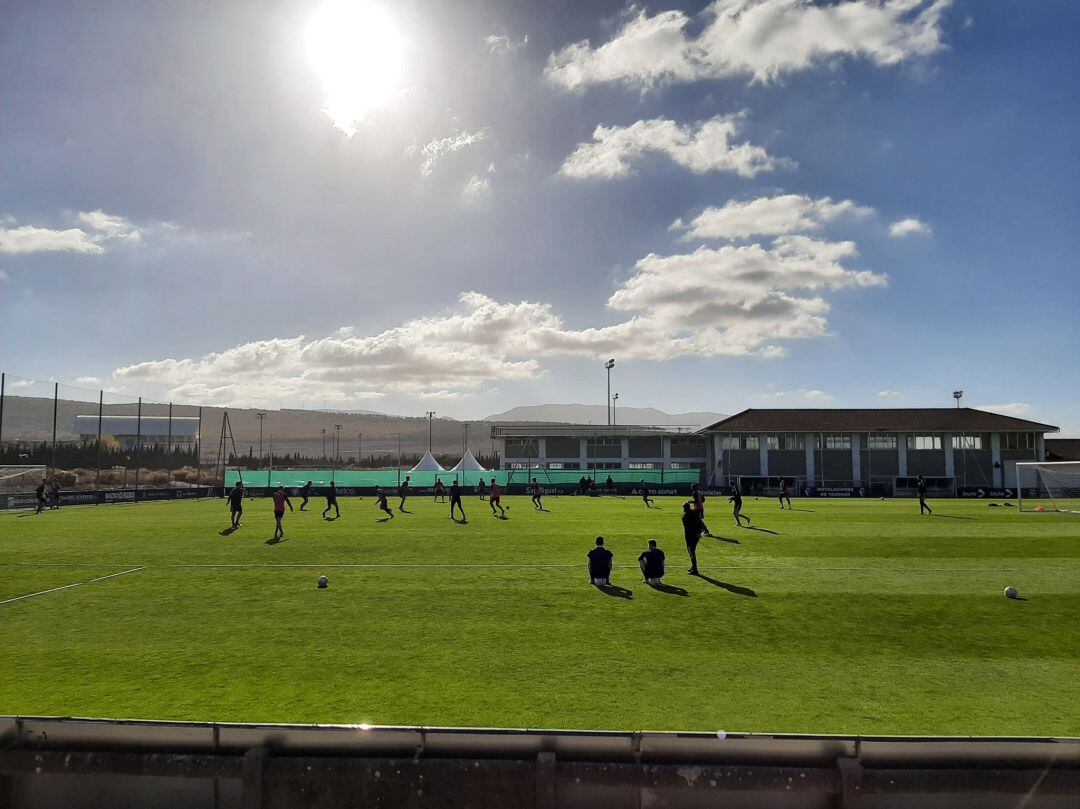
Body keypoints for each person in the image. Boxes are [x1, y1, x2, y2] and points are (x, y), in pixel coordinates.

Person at [682, 502, 705, 575]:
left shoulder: (685, 517)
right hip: (696, 536)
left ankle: (695, 569)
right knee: (693, 551)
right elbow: (700, 522)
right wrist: (703, 530)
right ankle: (693, 567)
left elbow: (689, 527)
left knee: (691, 552)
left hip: (690, 537)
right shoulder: (694, 513)